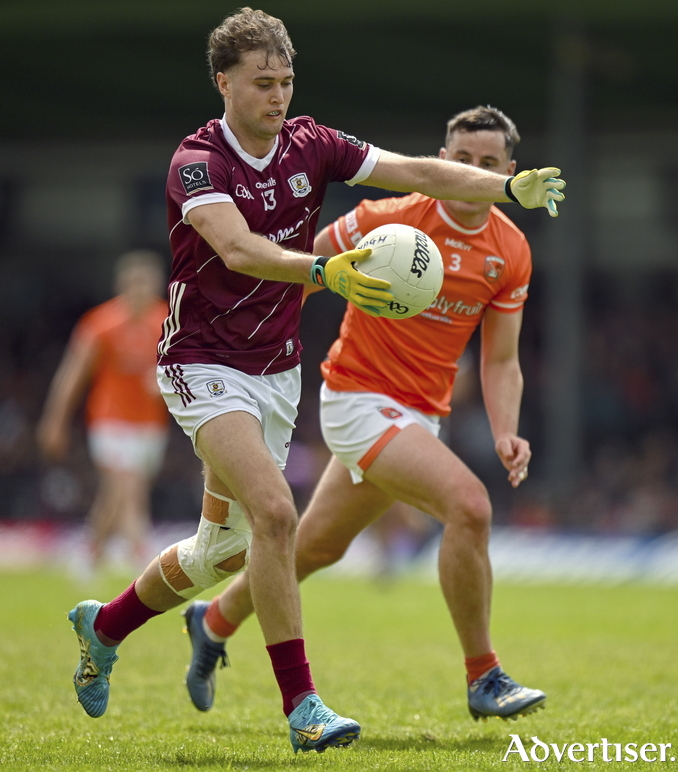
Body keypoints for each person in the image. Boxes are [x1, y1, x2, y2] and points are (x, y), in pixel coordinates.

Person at [66, 7, 564, 755]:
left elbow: (419, 168)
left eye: (287, 80)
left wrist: (510, 189)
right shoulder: (197, 162)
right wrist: (326, 271)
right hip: (203, 363)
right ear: (223, 81)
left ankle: (104, 626)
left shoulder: (316, 144)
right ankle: (304, 706)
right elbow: (236, 249)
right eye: (262, 82)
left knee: (223, 551)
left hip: (274, 371)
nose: (278, 95)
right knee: (276, 513)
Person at [182, 105, 547, 724]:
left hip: (418, 416)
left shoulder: (510, 249)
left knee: (313, 548)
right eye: (461, 160)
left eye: (489, 165)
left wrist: (506, 429)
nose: (473, 172)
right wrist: (233, 345)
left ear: (508, 172)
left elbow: (501, 359)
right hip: (356, 400)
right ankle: (484, 676)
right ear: (441, 161)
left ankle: (211, 620)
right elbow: (296, 275)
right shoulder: (390, 218)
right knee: (470, 505)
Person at [37, 249, 169, 574]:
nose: (138, 289)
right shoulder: (101, 323)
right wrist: (54, 421)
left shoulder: (167, 321)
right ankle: (144, 559)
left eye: (145, 282)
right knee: (129, 487)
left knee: (116, 494)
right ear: (120, 284)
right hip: (109, 420)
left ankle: (88, 553)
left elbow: (183, 368)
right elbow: (73, 374)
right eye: (132, 282)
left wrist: (165, 384)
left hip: (151, 424)